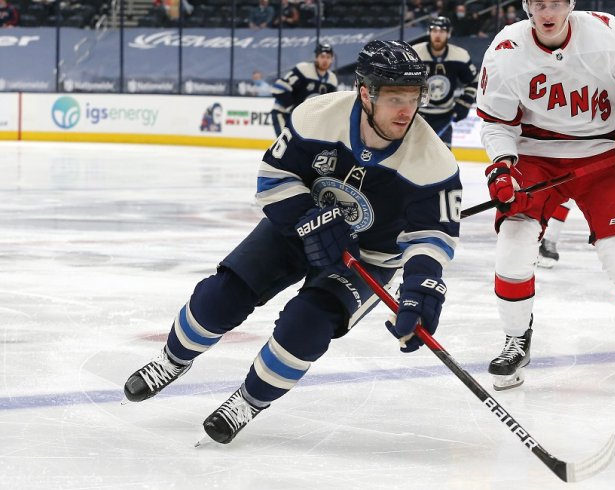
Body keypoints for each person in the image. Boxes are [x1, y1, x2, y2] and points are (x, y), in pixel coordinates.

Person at [122, 40, 462, 445]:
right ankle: (171, 361)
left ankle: (248, 402)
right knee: (221, 296)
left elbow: (432, 237)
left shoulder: (435, 161)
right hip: (301, 224)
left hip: (368, 256)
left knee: (307, 326)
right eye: (394, 98)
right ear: (365, 91)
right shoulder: (317, 117)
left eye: (413, 97)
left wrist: (420, 290)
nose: (407, 111)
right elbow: (273, 177)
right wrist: (308, 219)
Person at [476, 0, 615, 395]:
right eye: (538, 3)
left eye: (555, 2)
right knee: (513, 245)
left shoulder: (606, 32)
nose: (546, 11)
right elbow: (496, 122)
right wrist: (502, 164)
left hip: (601, 158)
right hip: (537, 157)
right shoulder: (505, 51)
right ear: (526, 6)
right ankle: (516, 339)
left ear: (570, 3)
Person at [412, 16, 479, 147]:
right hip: (417, 116)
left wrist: (465, 102)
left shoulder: (460, 56)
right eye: (435, 30)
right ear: (429, 32)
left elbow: (474, 81)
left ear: (448, 33)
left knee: (444, 162)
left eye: (442, 31)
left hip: (445, 116)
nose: (438, 35)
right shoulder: (414, 54)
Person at [271, 43, 338, 136]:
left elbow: (330, 105)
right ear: (316, 57)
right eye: (322, 56)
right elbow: (278, 88)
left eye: (328, 57)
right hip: (283, 113)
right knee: (287, 147)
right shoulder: (303, 69)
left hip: (302, 120)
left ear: (332, 59)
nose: (325, 60)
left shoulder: (332, 79)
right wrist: (293, 108)